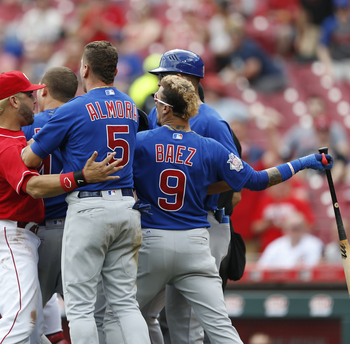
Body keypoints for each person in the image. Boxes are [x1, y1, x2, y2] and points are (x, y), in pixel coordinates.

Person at [105, 75, 333, 344]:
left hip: (153, 243)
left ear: (166, 108)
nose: (154, 105)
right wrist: (304, 161)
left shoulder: (141, 142)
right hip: (195, 246)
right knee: (221, 330)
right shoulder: (209, 147)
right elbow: (256, 180)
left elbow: (114, 177)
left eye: (157, 100)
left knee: (117, 315)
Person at [0, 69, 123, 344]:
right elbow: (31, 186)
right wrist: (82, 176)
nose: (34, 98)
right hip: (12, 235)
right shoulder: (7, 144)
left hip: (15, 233)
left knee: (30, 324)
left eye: (35, 93)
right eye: (28, 94)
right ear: (12, 102)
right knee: (22, 321)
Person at [21, 41, 151, 344]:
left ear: (85, 68)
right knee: (125, 304)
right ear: (116, 71)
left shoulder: (74, 108)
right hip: (127, 206)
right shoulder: (130, 105)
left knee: (80, 308)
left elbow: (29, 159)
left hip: (89, 205)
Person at [145, 48, 242, 344]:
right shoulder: (156, 111)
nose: (158, 83)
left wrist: (196, 189)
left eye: (164, 76)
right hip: (165, 226)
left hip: (207, 222)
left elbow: (234, 184)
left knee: (187, 323)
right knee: (142, 312)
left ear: (186, 78)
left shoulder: (211, 122)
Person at [21, 66, 79, 344]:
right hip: (79, 225)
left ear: (43, 90)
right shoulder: (83, 119)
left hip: (41, 230)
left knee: (28, 316)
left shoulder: (29, 123)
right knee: (86, 312)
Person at [257, 211, 323, 268]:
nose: (295, 229)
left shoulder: (314, 244)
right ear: (285, 229)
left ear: (305, 227)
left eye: (298, 227)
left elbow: (315, 266)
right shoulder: (275, 245)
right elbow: (262, 266)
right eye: (292, 227)